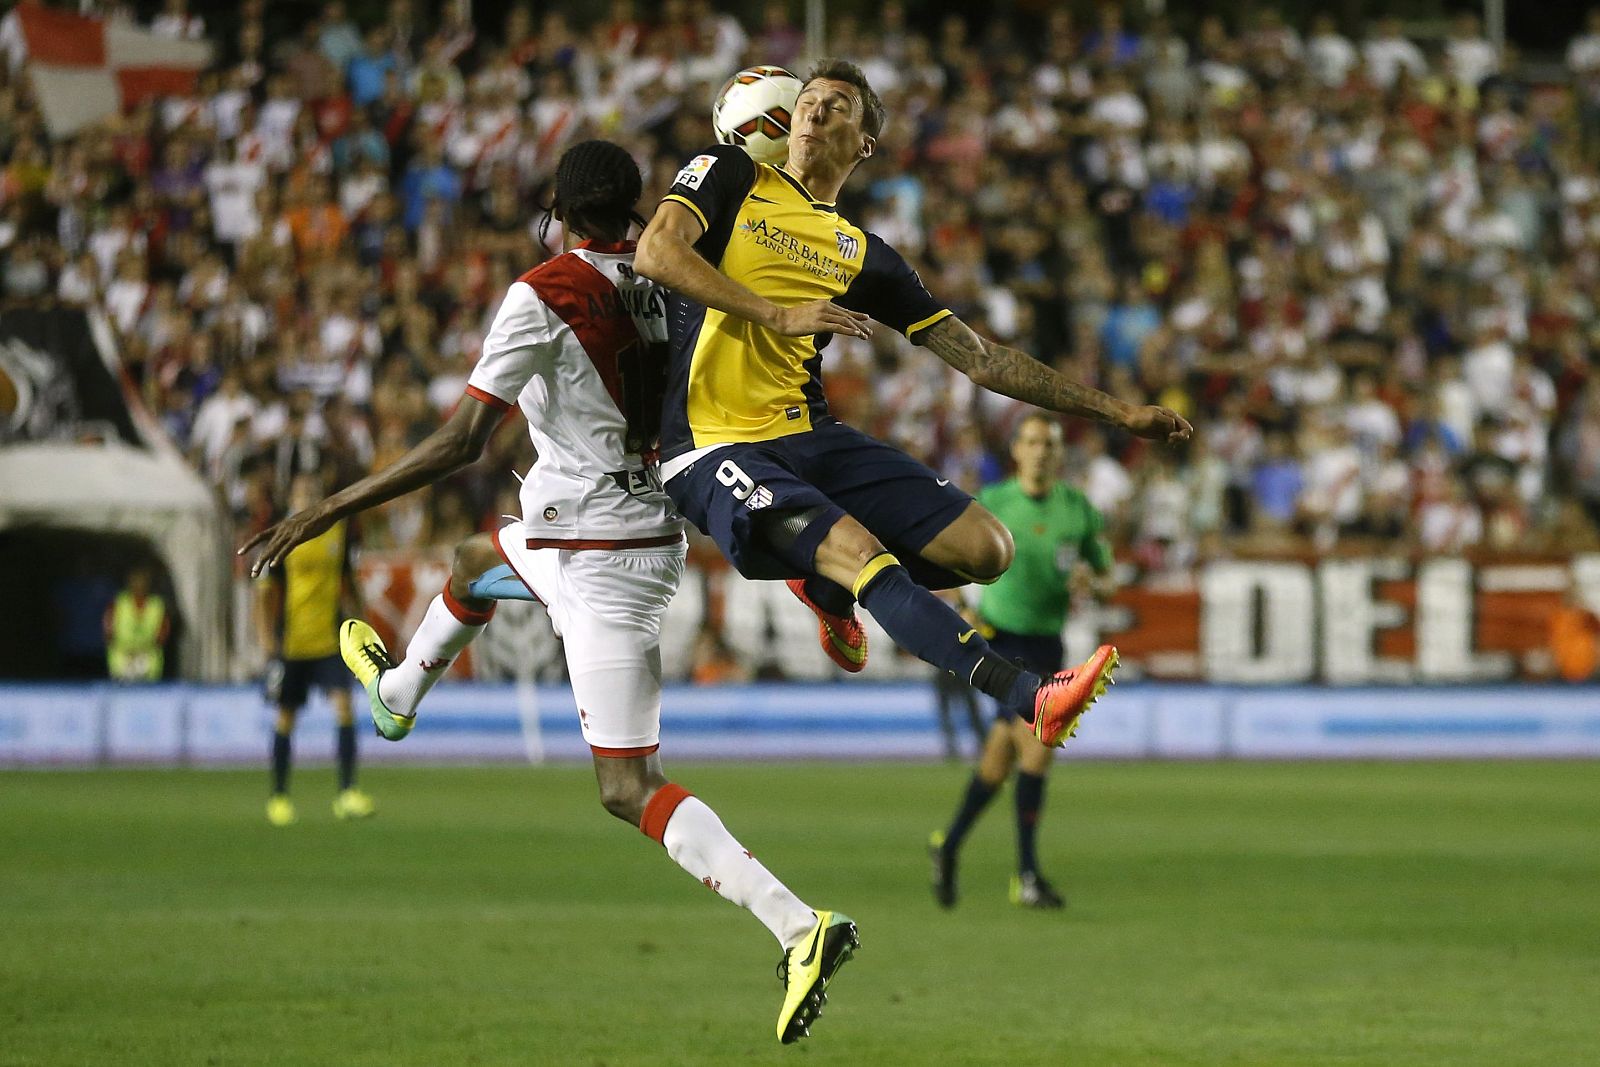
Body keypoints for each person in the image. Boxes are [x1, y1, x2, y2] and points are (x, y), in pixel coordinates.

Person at [240, 141, 854, 1047]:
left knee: (625, 784)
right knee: (466, 563)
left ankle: (799, 925)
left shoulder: (543, 292)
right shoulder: (678, 278)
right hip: (620, 529)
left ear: (560, 211)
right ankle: (398, 696)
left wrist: (330, 506)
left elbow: (461, 443)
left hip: (598, 558)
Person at [634, 59, 1188, 750]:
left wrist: (1116, 411)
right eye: (808, 101)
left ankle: (828, 592)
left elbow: (982, 358)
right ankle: (1030, 693)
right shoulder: (732, 172)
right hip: (710, 445)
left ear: (864, 142)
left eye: (838, 106)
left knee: (987, 549)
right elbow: (655, 252)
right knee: (861, 552)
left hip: (807, 436)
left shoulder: (864, 255)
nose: (815, 112)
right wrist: (774, 315)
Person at [928, 414, 1116, 910]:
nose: (1041, 451)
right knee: (1038, 749)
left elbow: (1105, 575)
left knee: (998, 762)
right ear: (1016, 451)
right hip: (1000, 641)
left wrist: (1090, 584)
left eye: (1049, 444)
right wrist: (965, 609)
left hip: (1047, 643)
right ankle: (1027, 875)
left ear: (1059, 454)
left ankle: (947, 847)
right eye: (1032, 442)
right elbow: (946, 558)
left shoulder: (1077, 509)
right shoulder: (993, 503)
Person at [254, 471, 374, 826]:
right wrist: (265, 640)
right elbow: (264, 592)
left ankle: (347, 793)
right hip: (291, 642)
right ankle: (279, 796)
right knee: (286, 716)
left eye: (313, 491)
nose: (307, 496)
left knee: (345, 708)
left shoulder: (336, 531)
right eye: (301, 491)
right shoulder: (283, 536)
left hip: (328, 639)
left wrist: (363, 626)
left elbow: (348, 583)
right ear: (291, 497)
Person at [104, 565, 169, 682]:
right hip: (123, 658)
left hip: (148, 658)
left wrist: (144, 648)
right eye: (135, 582)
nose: (139, 585)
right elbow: (108, 629)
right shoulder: (119, 602)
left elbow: (163, 632)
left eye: (142, 582)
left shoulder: (156, 604)